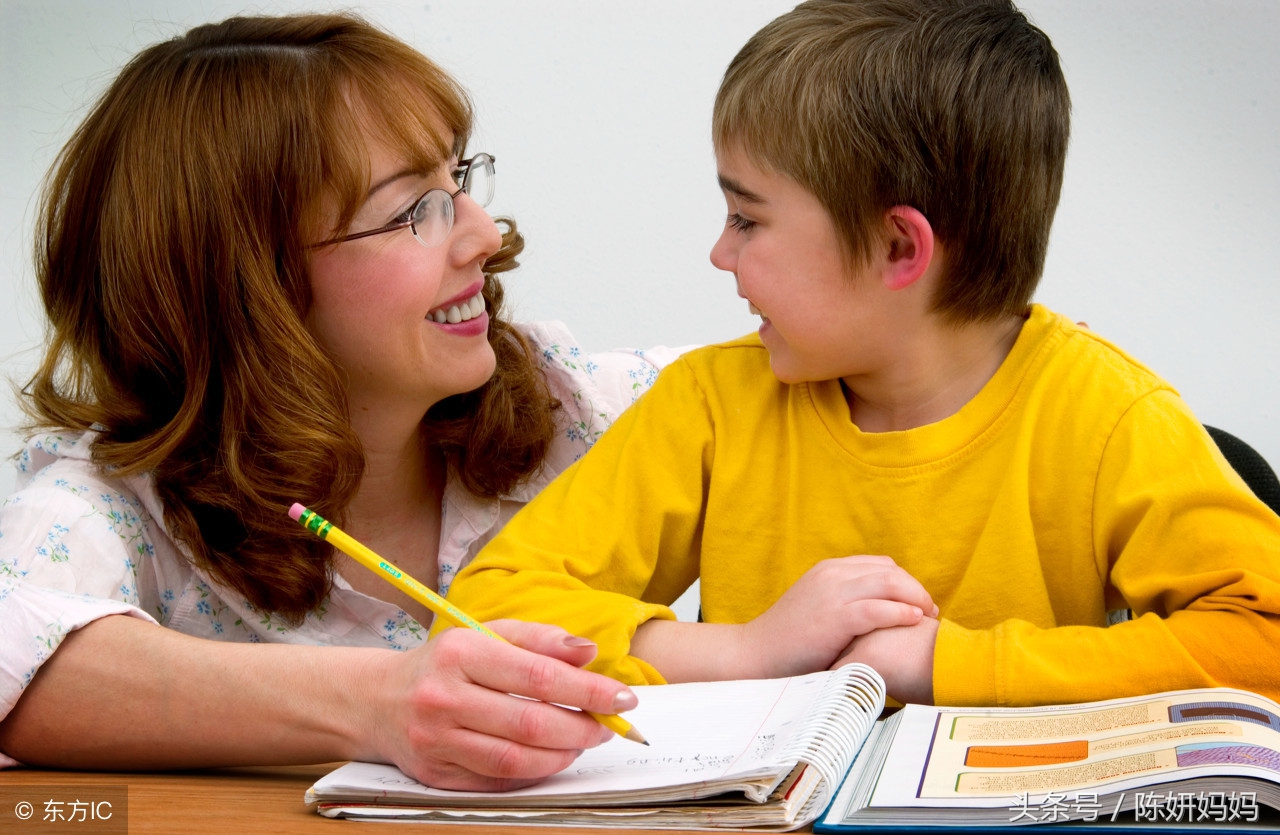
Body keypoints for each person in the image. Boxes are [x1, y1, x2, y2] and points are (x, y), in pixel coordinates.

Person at [445, 0, 1280, 707]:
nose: (720, 254)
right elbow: (483, 611)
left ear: (895, 247)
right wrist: (749, 650)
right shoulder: (709, 403)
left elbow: (1265, 640)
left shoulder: (1106, 416)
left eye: (748, 219)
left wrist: (939, 663)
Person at [0, 13, 684, 789]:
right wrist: (376, 702)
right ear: (248, 287)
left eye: (458, 181)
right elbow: (17, 658)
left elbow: (809, 372)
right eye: (413, 209)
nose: (485, 234)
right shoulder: (109, 509)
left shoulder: (574, 410)